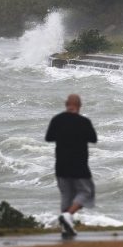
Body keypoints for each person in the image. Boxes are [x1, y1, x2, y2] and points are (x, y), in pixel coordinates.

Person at [45, 94, 97, 238]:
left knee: (66, 195)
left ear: (66, 104)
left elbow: (49, 137)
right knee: (87, 192)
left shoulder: (57, 120)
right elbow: (93, 138)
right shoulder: (84, 122)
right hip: (79, 165)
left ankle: (65, 228)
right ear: (79, 106)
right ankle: (68, 215)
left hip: (61, 164)